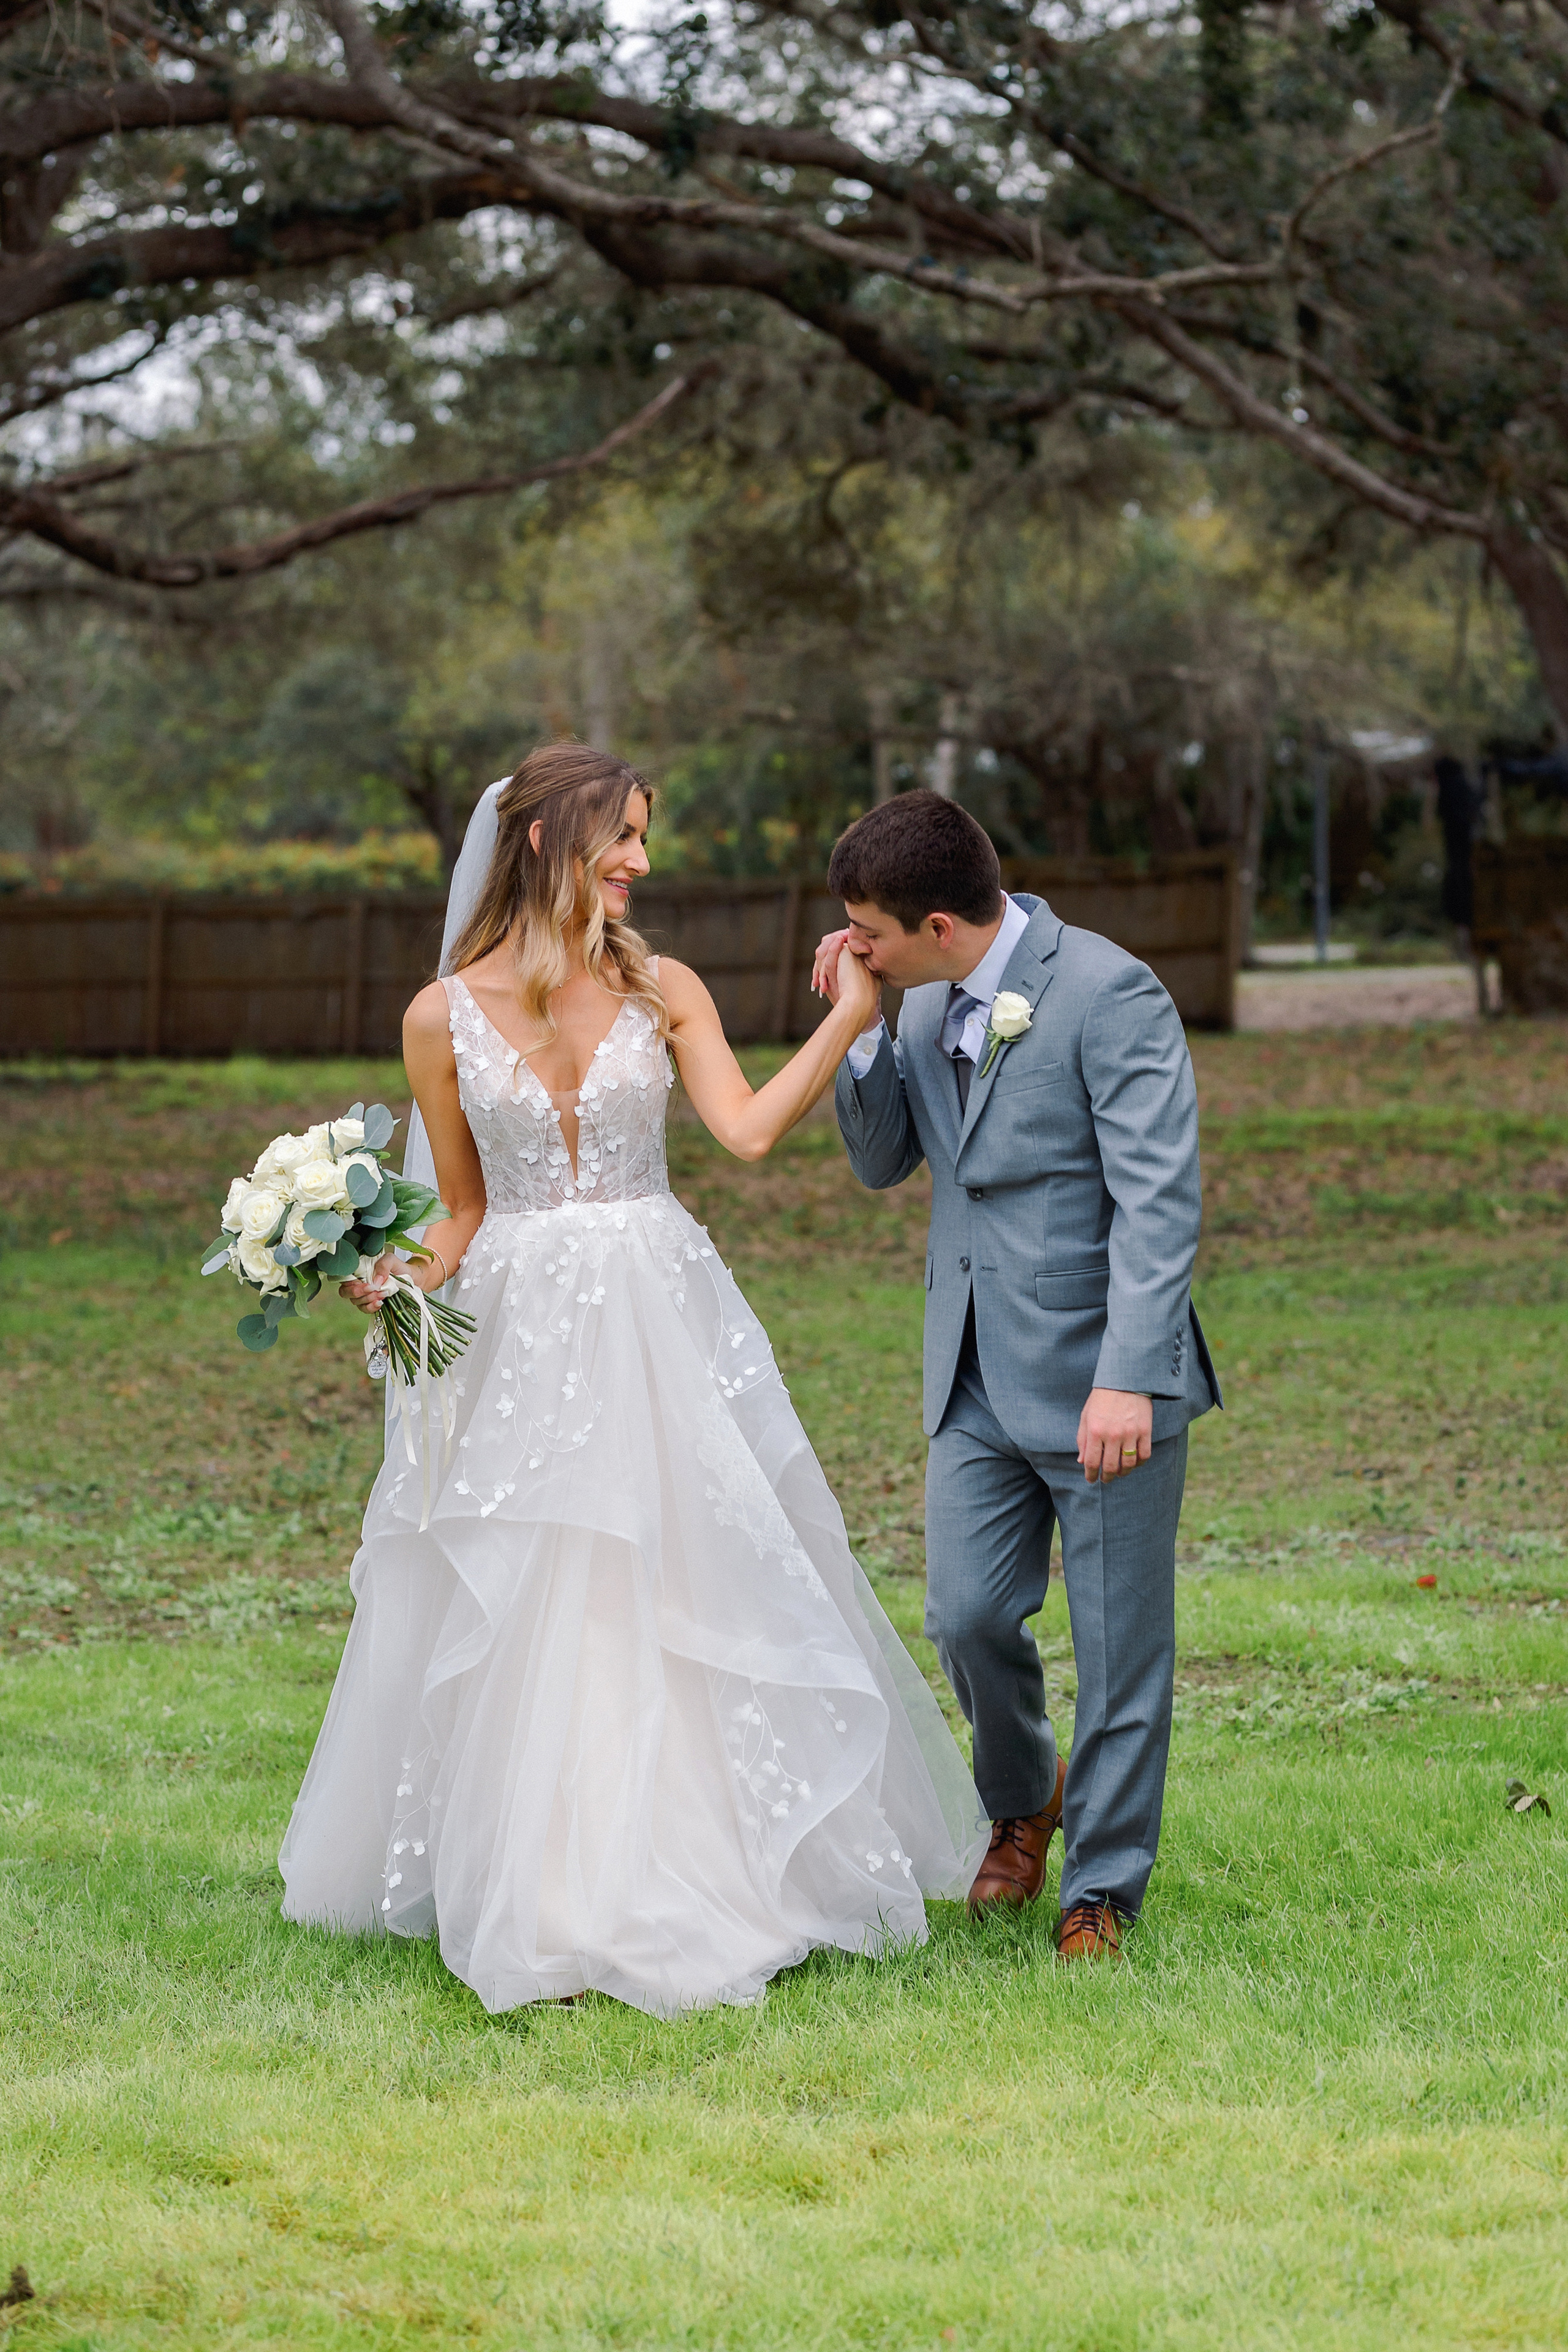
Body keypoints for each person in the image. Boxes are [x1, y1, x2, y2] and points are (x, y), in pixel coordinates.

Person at [279, 745, 985, 2016]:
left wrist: (849, 1014)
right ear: (550, 838)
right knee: (547, 1590)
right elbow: (464, 1211)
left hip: (660, 1315)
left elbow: (749, 1132)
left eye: (646, 839)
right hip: (519, 1330)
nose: (642, 862)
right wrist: (386, 1275)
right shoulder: (437, 1017)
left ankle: (708, 1871)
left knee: (683, 1573)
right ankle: (549, 1892)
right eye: (625, 837)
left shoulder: (663, 987)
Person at [812, 792, 1219, 1961]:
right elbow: (887, 1160)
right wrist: (864, 1024)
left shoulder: (1109, 992)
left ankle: (1101, 1889)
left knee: (1119, 1644)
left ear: (939, 923)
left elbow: (1159, 1196)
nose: (855, 950)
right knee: (966, 1616)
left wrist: (1131, 1375)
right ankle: (1023, 1799)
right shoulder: (921, 992)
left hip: (1105, 1376)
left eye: (868, 935)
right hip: (972, 1379)